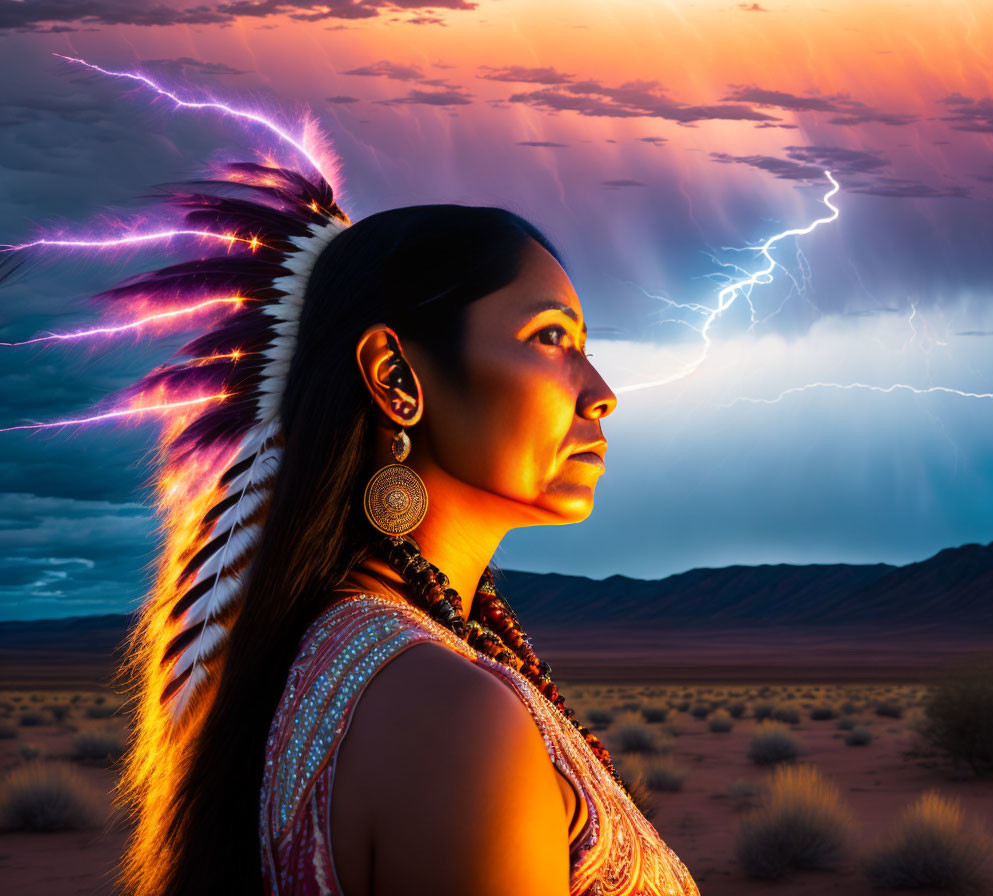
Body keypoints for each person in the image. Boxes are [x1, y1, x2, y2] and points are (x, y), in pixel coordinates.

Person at [24, 158, 703, 894]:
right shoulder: (453, 720)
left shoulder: (357, 659)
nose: (599, 395)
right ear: (395, 376)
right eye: (550, 338)